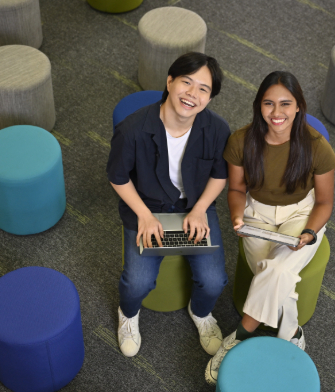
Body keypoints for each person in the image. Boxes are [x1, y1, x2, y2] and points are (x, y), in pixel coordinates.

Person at [205, 71, 335, 385]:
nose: (276, 113)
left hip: (301, 215)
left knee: (274, 270)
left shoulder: (316, 146)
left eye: (285, 104)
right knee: (276, 271)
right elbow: (236, 190)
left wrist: (309, 233)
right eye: (268, 103)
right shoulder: (241, 140)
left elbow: (325, 202)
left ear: (298, 106)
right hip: (257, 214)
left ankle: (238, 335)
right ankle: (291, 329)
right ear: (258, 105)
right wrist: (238, 217)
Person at [107, 52, 231, 358]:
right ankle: (128, 314)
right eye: (186, 82)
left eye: (203, 88)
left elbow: (219, 174)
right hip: (147, 206)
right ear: (169, 81)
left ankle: (201, 314)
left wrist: (201, 208)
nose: (192, 93)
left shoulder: (217, 129)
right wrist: (145, 216)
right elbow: (118, 177)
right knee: (137, 282)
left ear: (210, 97)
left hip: (196, 204)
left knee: (214, 281)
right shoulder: (132, 129)